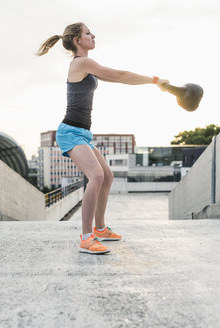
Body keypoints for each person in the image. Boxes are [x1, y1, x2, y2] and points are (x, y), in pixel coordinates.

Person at [37, 22, 169, 254]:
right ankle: (86, 238)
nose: (93, 35)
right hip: (69, 132)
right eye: (88, 33)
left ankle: (100, 229)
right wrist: (156, 80)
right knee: (96, 176)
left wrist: (151, 82)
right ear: (77, 40)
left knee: (106, 176)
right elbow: (120, 74)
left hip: (82, 133)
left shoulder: (87, 66)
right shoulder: (82, 62)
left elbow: (121, 78)